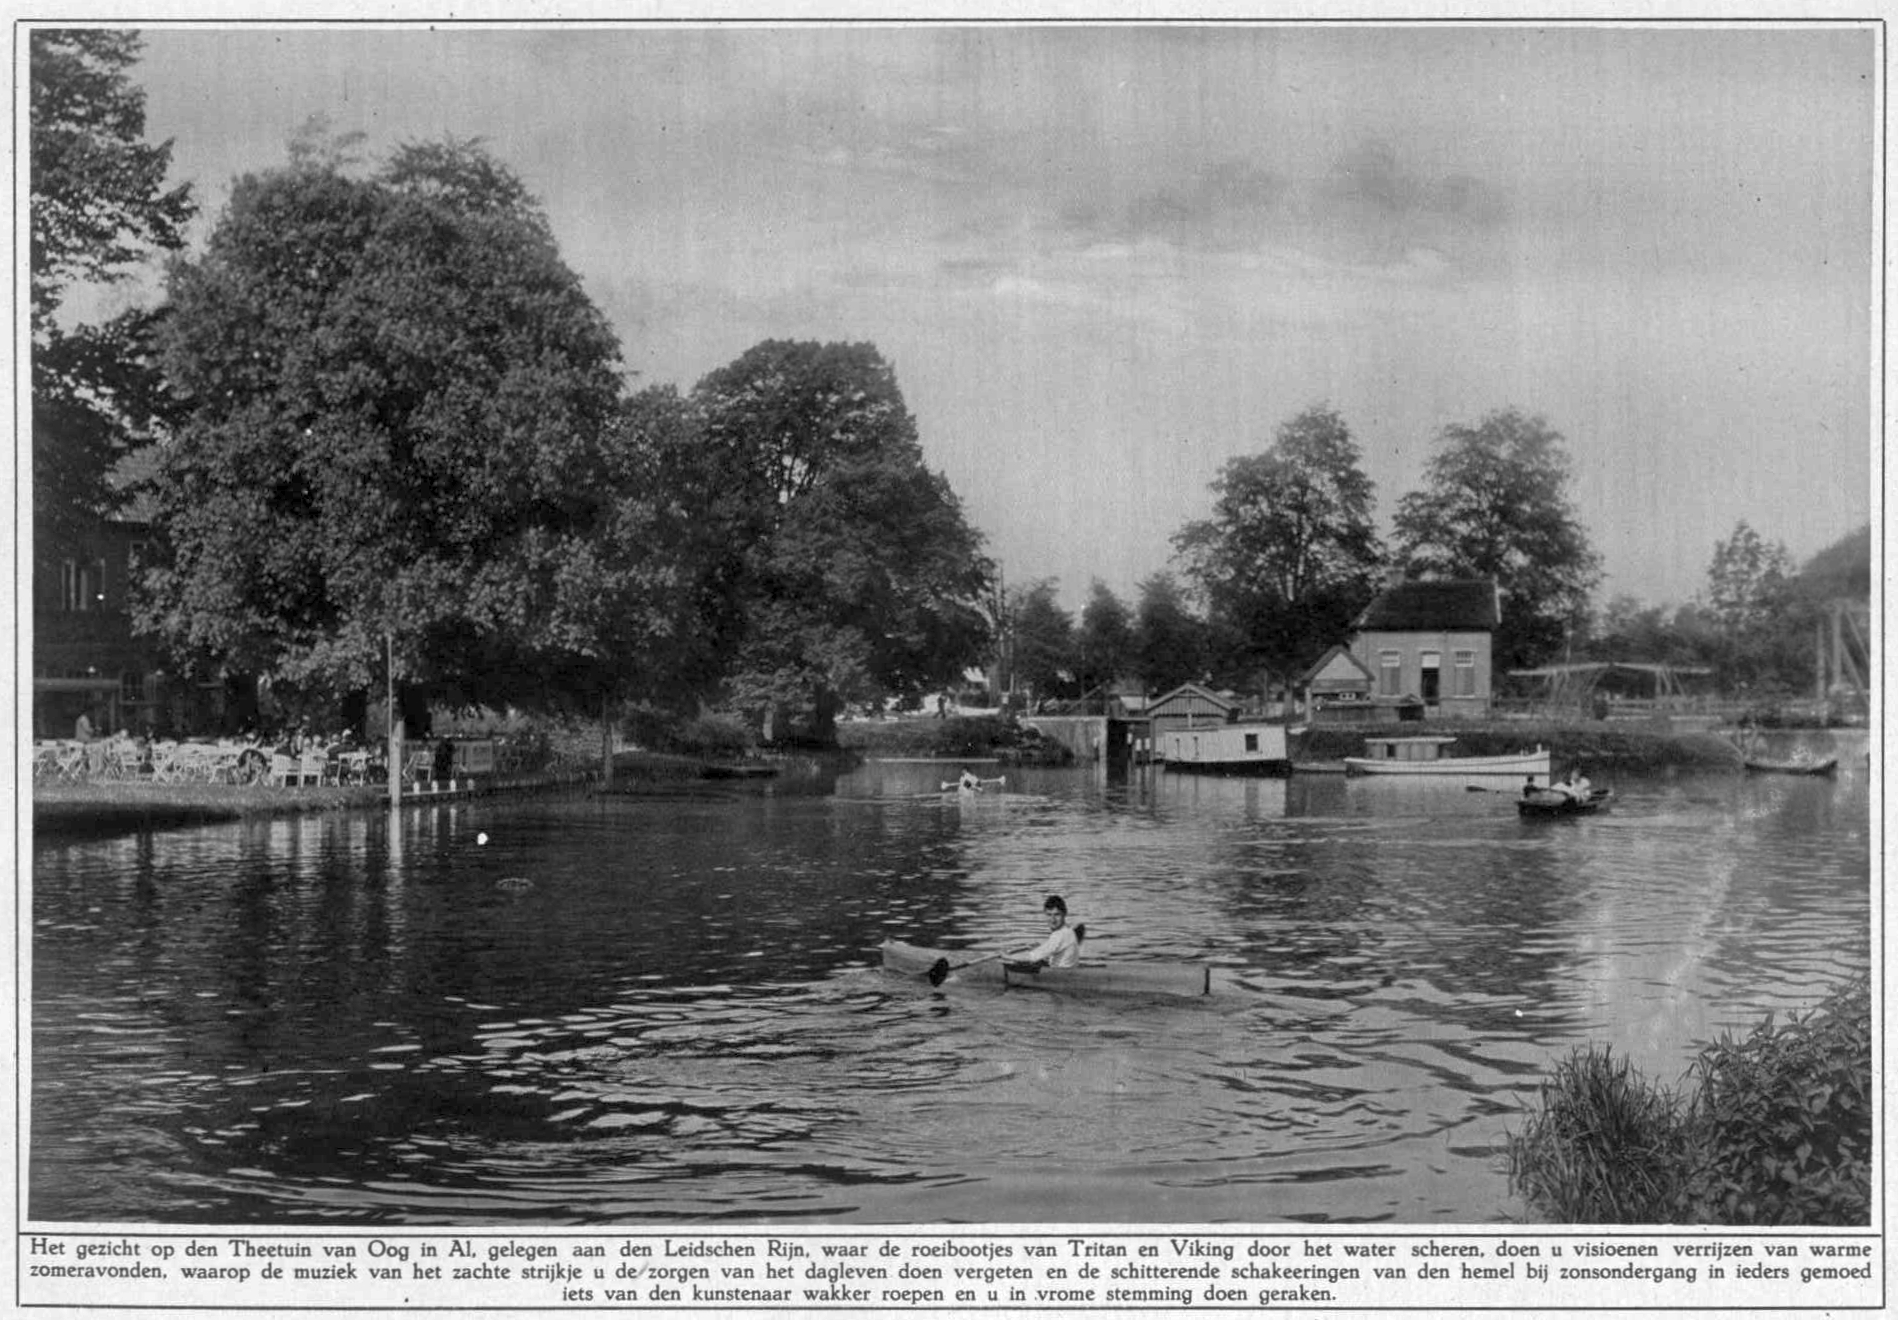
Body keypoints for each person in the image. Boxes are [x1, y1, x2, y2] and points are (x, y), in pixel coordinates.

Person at [1011, 895, 1081, 972]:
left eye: (1057, 914)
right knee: (1039, 960)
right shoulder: (1069, 930)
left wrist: (1007, 956)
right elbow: (1054, 949)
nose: (1053, 920)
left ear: (1064, 914)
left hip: (1060, 975)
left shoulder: (1060, 935)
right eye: (1049, 915)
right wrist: (1039, 949)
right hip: (1067, 971)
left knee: (1024, 962)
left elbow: (1032, 957)